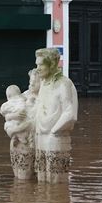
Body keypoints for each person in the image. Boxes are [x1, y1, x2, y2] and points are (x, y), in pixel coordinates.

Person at [32, 48, 78, 183]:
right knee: (42, 180)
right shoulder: (44, 83)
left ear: (51, 64)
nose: (38, 68)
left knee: (55, 182)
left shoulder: (64, 84)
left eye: (41, 65)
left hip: (55, 138)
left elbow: (69, 113)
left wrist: (53, 131)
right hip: (41, 135)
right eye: (37, 65)